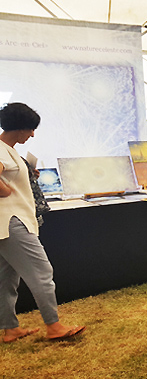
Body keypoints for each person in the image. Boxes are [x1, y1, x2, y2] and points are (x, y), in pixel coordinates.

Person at [0, 103, 85, 342]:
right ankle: (54, 326)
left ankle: (10, 329)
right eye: (30, 129)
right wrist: (5, 191)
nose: (32, 135)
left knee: (6, 278)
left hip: (6, 223)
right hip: (12, 221)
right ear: (19, 128)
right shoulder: (1, 149)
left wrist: (26, 175)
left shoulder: (9, 150)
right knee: (41, 272)